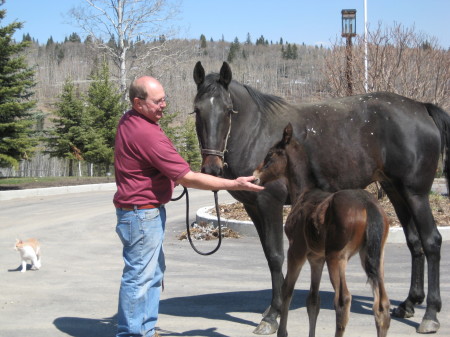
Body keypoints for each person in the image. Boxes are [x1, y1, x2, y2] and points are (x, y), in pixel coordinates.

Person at [113, 76, 264, 337]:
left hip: (138, 213)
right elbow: (187, 177)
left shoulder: (130, 119)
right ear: (138, 102)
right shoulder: (146, 133)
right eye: (157, 101)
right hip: (142, 216)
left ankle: (145, 330)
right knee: (139, 279)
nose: (164, 105)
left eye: (164, 99)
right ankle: (131, 333)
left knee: (152, 275)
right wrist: (234, 184)